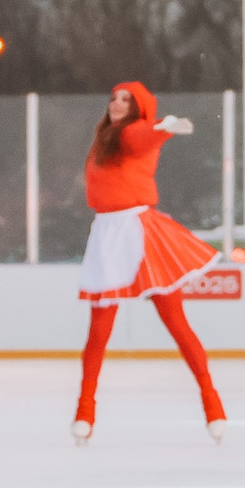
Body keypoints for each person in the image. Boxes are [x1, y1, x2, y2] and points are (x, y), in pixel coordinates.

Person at [74, 81, 226, 444]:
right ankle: (84, 411)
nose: (116, 103)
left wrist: (162, 127)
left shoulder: (131, 134)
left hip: (139, 232)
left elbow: (142, 138)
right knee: (99, 331)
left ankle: (212, 403)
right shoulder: (103, 139)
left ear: (138, 108)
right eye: (114, 98)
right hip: (107, 233)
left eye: (126, 100)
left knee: (176, 322)